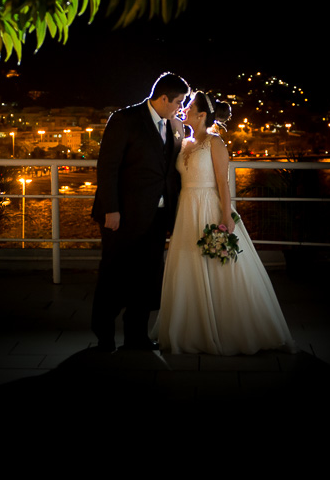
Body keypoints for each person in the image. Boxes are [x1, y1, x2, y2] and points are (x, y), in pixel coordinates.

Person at [153, 91, 296, 355]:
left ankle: (226, 327)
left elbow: (222, 181)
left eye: (189, 107)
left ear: (202, 114)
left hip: (208, 205)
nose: (184, 110)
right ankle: (191, 327)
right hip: (186, 208)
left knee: (217, 264)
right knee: (189, 264)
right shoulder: (184, 143)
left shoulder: (215, 143)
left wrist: (226, 215)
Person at [90, 72, 189, 352]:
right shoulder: (125, 119)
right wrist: (111, 209)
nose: (180, 108)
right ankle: (104, 336)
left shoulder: (175, 125)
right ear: (162, 98)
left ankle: (137, 336)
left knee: (147, 277)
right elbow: (107, 167)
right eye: (178, 102)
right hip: (122, 216)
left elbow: (170, 173)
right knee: (114, 274)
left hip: (158, 217)